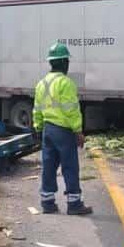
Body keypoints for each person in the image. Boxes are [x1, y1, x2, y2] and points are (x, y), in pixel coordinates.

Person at [33, 43, 92, 215]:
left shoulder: (41, 83)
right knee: (70, 166)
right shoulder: (66, 83)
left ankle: (47, 202)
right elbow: (71, 110)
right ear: (64, 62)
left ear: (51, 63)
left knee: (49, 165)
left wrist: (38, 127)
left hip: (48, 130)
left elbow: (37, 108)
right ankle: (74, 204)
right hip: (63, 130)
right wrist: (78, 131)